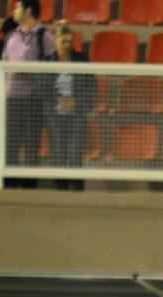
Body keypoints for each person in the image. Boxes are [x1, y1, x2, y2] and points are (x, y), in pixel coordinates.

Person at [2, 0, 54, 188]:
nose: (14, 11)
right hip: (12, 98)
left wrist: (32, 71)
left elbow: (53, 67)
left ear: (28, 10)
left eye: (17, 7)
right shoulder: (12, 36)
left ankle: (29, 187)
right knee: (10, 144)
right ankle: (9, 185)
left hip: (34, 98)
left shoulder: (45, 36)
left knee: (32, 144)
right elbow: (4, 62)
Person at [49, 25, 95, 191]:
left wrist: (77, 101)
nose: (67, 45)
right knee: (58, 154)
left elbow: (91, 86)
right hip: (55, 116)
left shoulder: (82, 59)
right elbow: (41, 86)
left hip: (77, 115)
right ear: (55, 41)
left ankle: (76, 191)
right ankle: (60, 190)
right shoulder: (47, 61)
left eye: (69, 41)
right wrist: (57, 101)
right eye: (63, 41)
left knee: (75, 153)